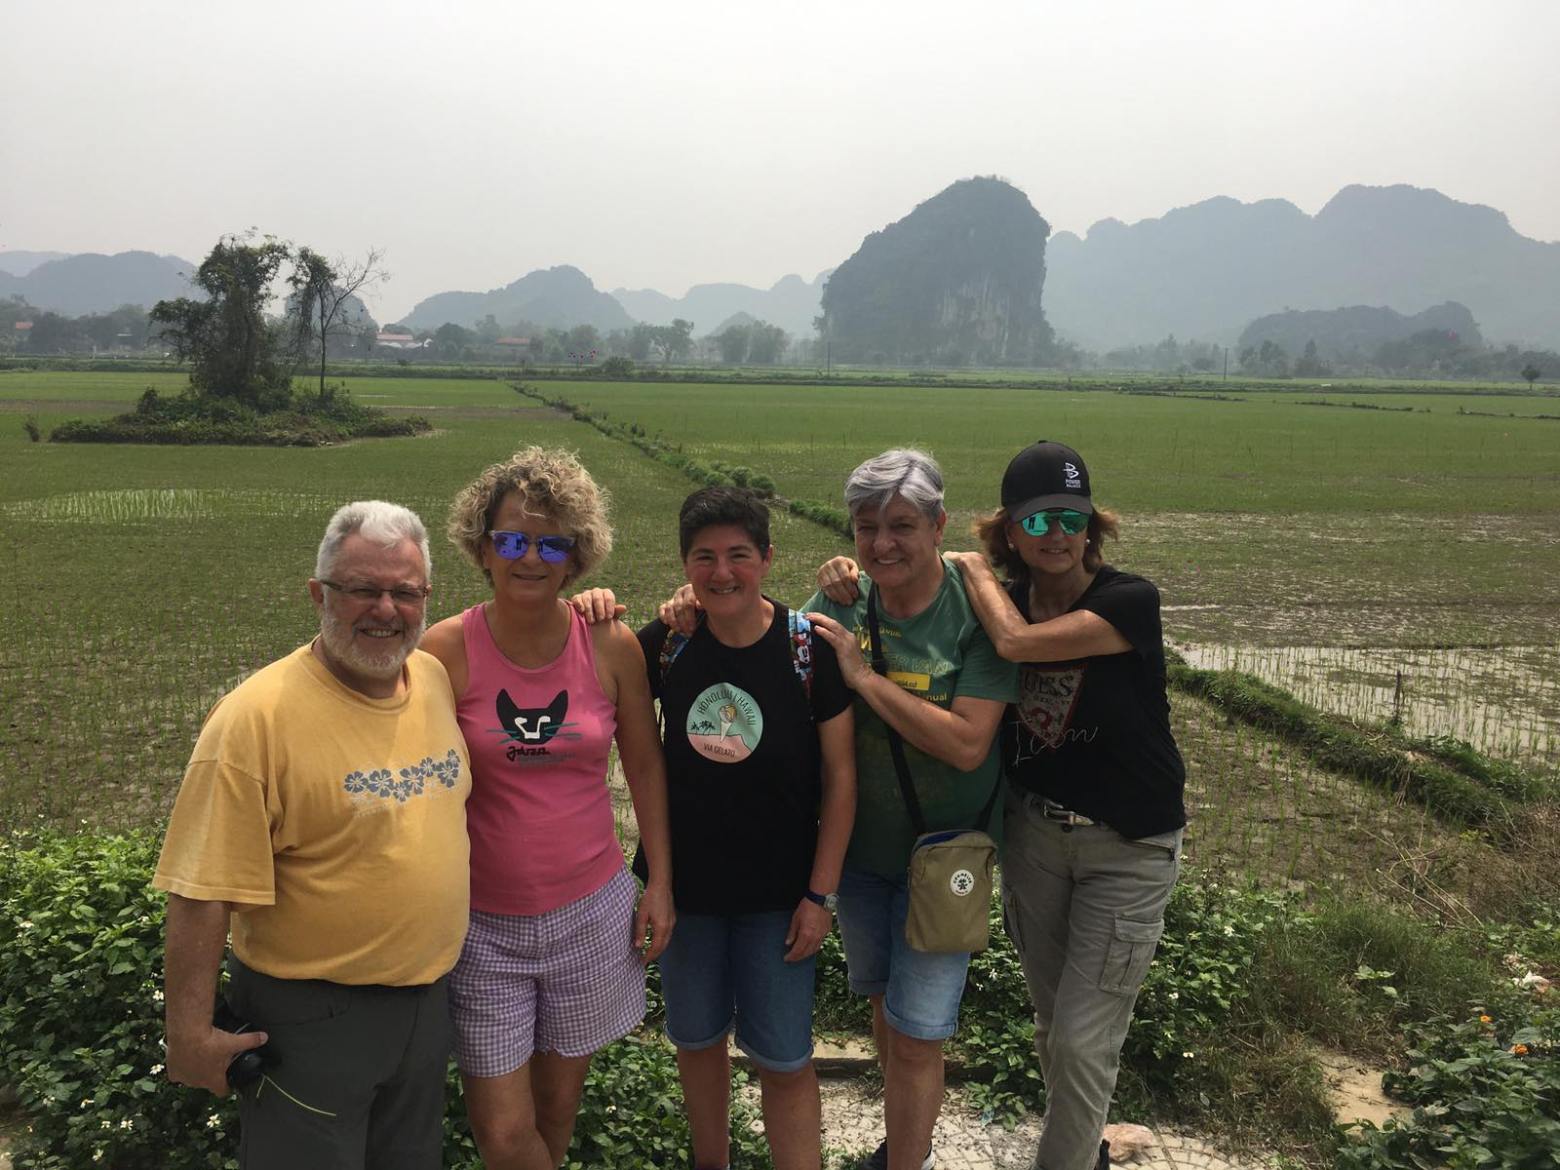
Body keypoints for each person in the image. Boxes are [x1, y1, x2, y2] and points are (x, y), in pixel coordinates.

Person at [154, 500, 471, 1170]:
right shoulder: (254, 721)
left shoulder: (434, 680)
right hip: (310, 1017)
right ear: (317, 594)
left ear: (426, 599)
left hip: (427, 1003)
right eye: (362, 589)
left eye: (405, 592)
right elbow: (200, 891)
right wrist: (188, 1033)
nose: (386, 609)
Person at [420, 446, 674, 1170]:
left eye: (550, 541)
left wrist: (658, 881)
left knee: (557, 1113)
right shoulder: (445, 650)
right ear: (482, 545)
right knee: (503, 1132)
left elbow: (646, 769)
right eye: (511, 538)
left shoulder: (611, 643)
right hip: (480, 927)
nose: (529, 557)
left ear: (576, 555)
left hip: (590, 915)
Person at [946, 439, 1187, 1170]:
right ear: (1011, 528)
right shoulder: (1005, 600)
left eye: (1071, 518)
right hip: (1037, 840)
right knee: (1056, 1028)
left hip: (1128, 845)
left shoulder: (1126, 601)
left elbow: (1019, 645)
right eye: (1039, 519)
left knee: (1085, 1040)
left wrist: (972, 569)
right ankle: (1086, 1154)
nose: (1057, 535)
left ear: (1093, 526)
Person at [805, 449, 1019, 1170]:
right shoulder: (839, 603)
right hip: (861, 856)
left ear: (938, 525)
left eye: (902, 525)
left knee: (921, 1031)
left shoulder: (974, 614)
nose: (883, 543)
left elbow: (965, 745)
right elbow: (769, 661)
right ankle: (905, 1148)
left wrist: (863, 678)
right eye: (867, 528)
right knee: (883, 1012)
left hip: (946, 860)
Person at [636, 486, 857, 1170]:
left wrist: (819, 899)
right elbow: (584, 676)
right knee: (696, 1044)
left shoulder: (805, 649)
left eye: (738, 555)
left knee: (785, 1058)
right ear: (684, 565)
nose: (722, 572)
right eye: (704, 557)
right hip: (688, 898)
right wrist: (591, 605)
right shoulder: (668, 643)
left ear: (766, 558)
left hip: (780, 902)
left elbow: (842, 780)